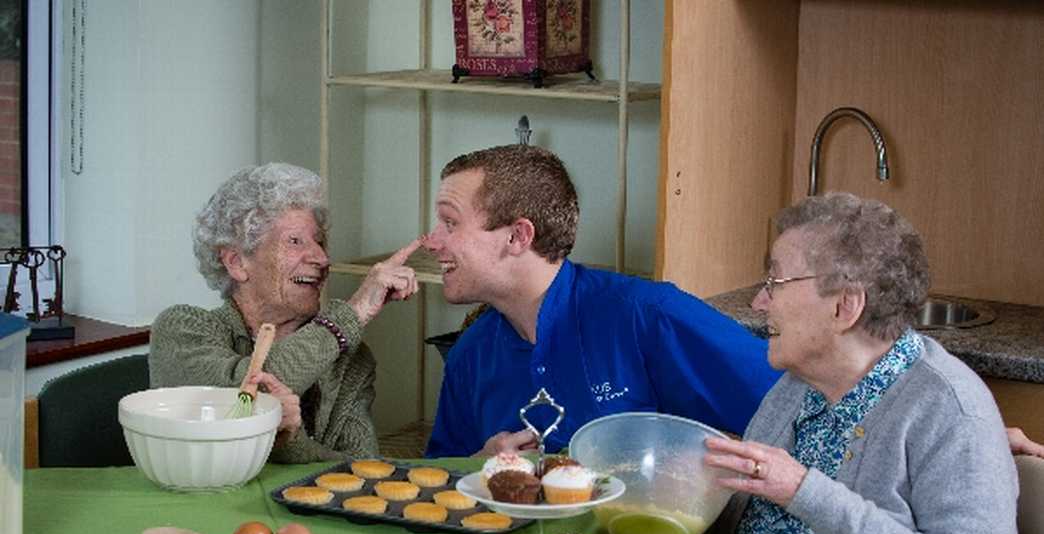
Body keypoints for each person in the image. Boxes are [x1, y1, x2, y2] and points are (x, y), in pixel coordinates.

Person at [703, 192, 1017, 534]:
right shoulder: (799, 385)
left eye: (776, 282)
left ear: (845, 306)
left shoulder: (951, 411)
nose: (759, 301)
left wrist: (803, 489)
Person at [422, 145, 782, 457]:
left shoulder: (648, 315)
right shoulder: (470, 354)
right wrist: (479, 464)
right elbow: (439, 486)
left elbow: (794, 409)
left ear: (518, 236)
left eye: (450, 224)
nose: (432, 242)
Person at [150, 163, 420, 463]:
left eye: (319, 241)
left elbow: (363, 469)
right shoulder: (183, 330)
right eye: (295, 241)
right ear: (236, 263)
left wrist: (291, 443)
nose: (322, 257)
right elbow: (247, 393)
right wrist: (353, 313)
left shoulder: (347, 357)